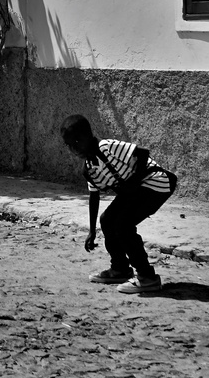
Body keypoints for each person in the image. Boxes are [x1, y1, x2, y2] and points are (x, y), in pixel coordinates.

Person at [62, 113, 178, 295]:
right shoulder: (90, 168)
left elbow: (142, 153)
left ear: (88, 135)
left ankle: (147, 277)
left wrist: (133, 181)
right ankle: (120, 268)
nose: (74, 148)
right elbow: (94, 195)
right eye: (69, 144)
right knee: (107, 220)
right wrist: (92, 230)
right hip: (134, 190)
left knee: (123, 225)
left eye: (77, 141)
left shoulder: (106, 147)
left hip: (156, 183)